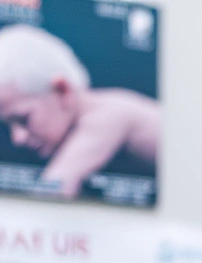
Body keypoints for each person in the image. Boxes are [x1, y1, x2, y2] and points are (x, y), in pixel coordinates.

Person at [0, 24, 159, 200]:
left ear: (62, 91)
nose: (17, 138)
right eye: (8, 125)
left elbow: (54, 189)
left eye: (23, 119)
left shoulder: (107, 117)